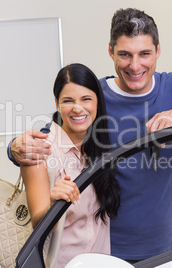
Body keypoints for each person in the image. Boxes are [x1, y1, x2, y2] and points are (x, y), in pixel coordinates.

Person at [8, 8, 172, 263]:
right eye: (125, 54)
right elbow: (53, 135)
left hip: (165, 249)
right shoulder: (95, 97)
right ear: (110, 51)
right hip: (106, 253)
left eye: (144, 54)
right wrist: (13, 148)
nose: (135, 65)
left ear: (158, 50)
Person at [21, 63, 120, 267]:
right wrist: (54, 203)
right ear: (57, 103)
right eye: (68, 101)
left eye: (86, 99)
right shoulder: (41, 151)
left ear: (97, 103)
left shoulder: (101, 147)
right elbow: (37, 225)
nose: (77, 108)